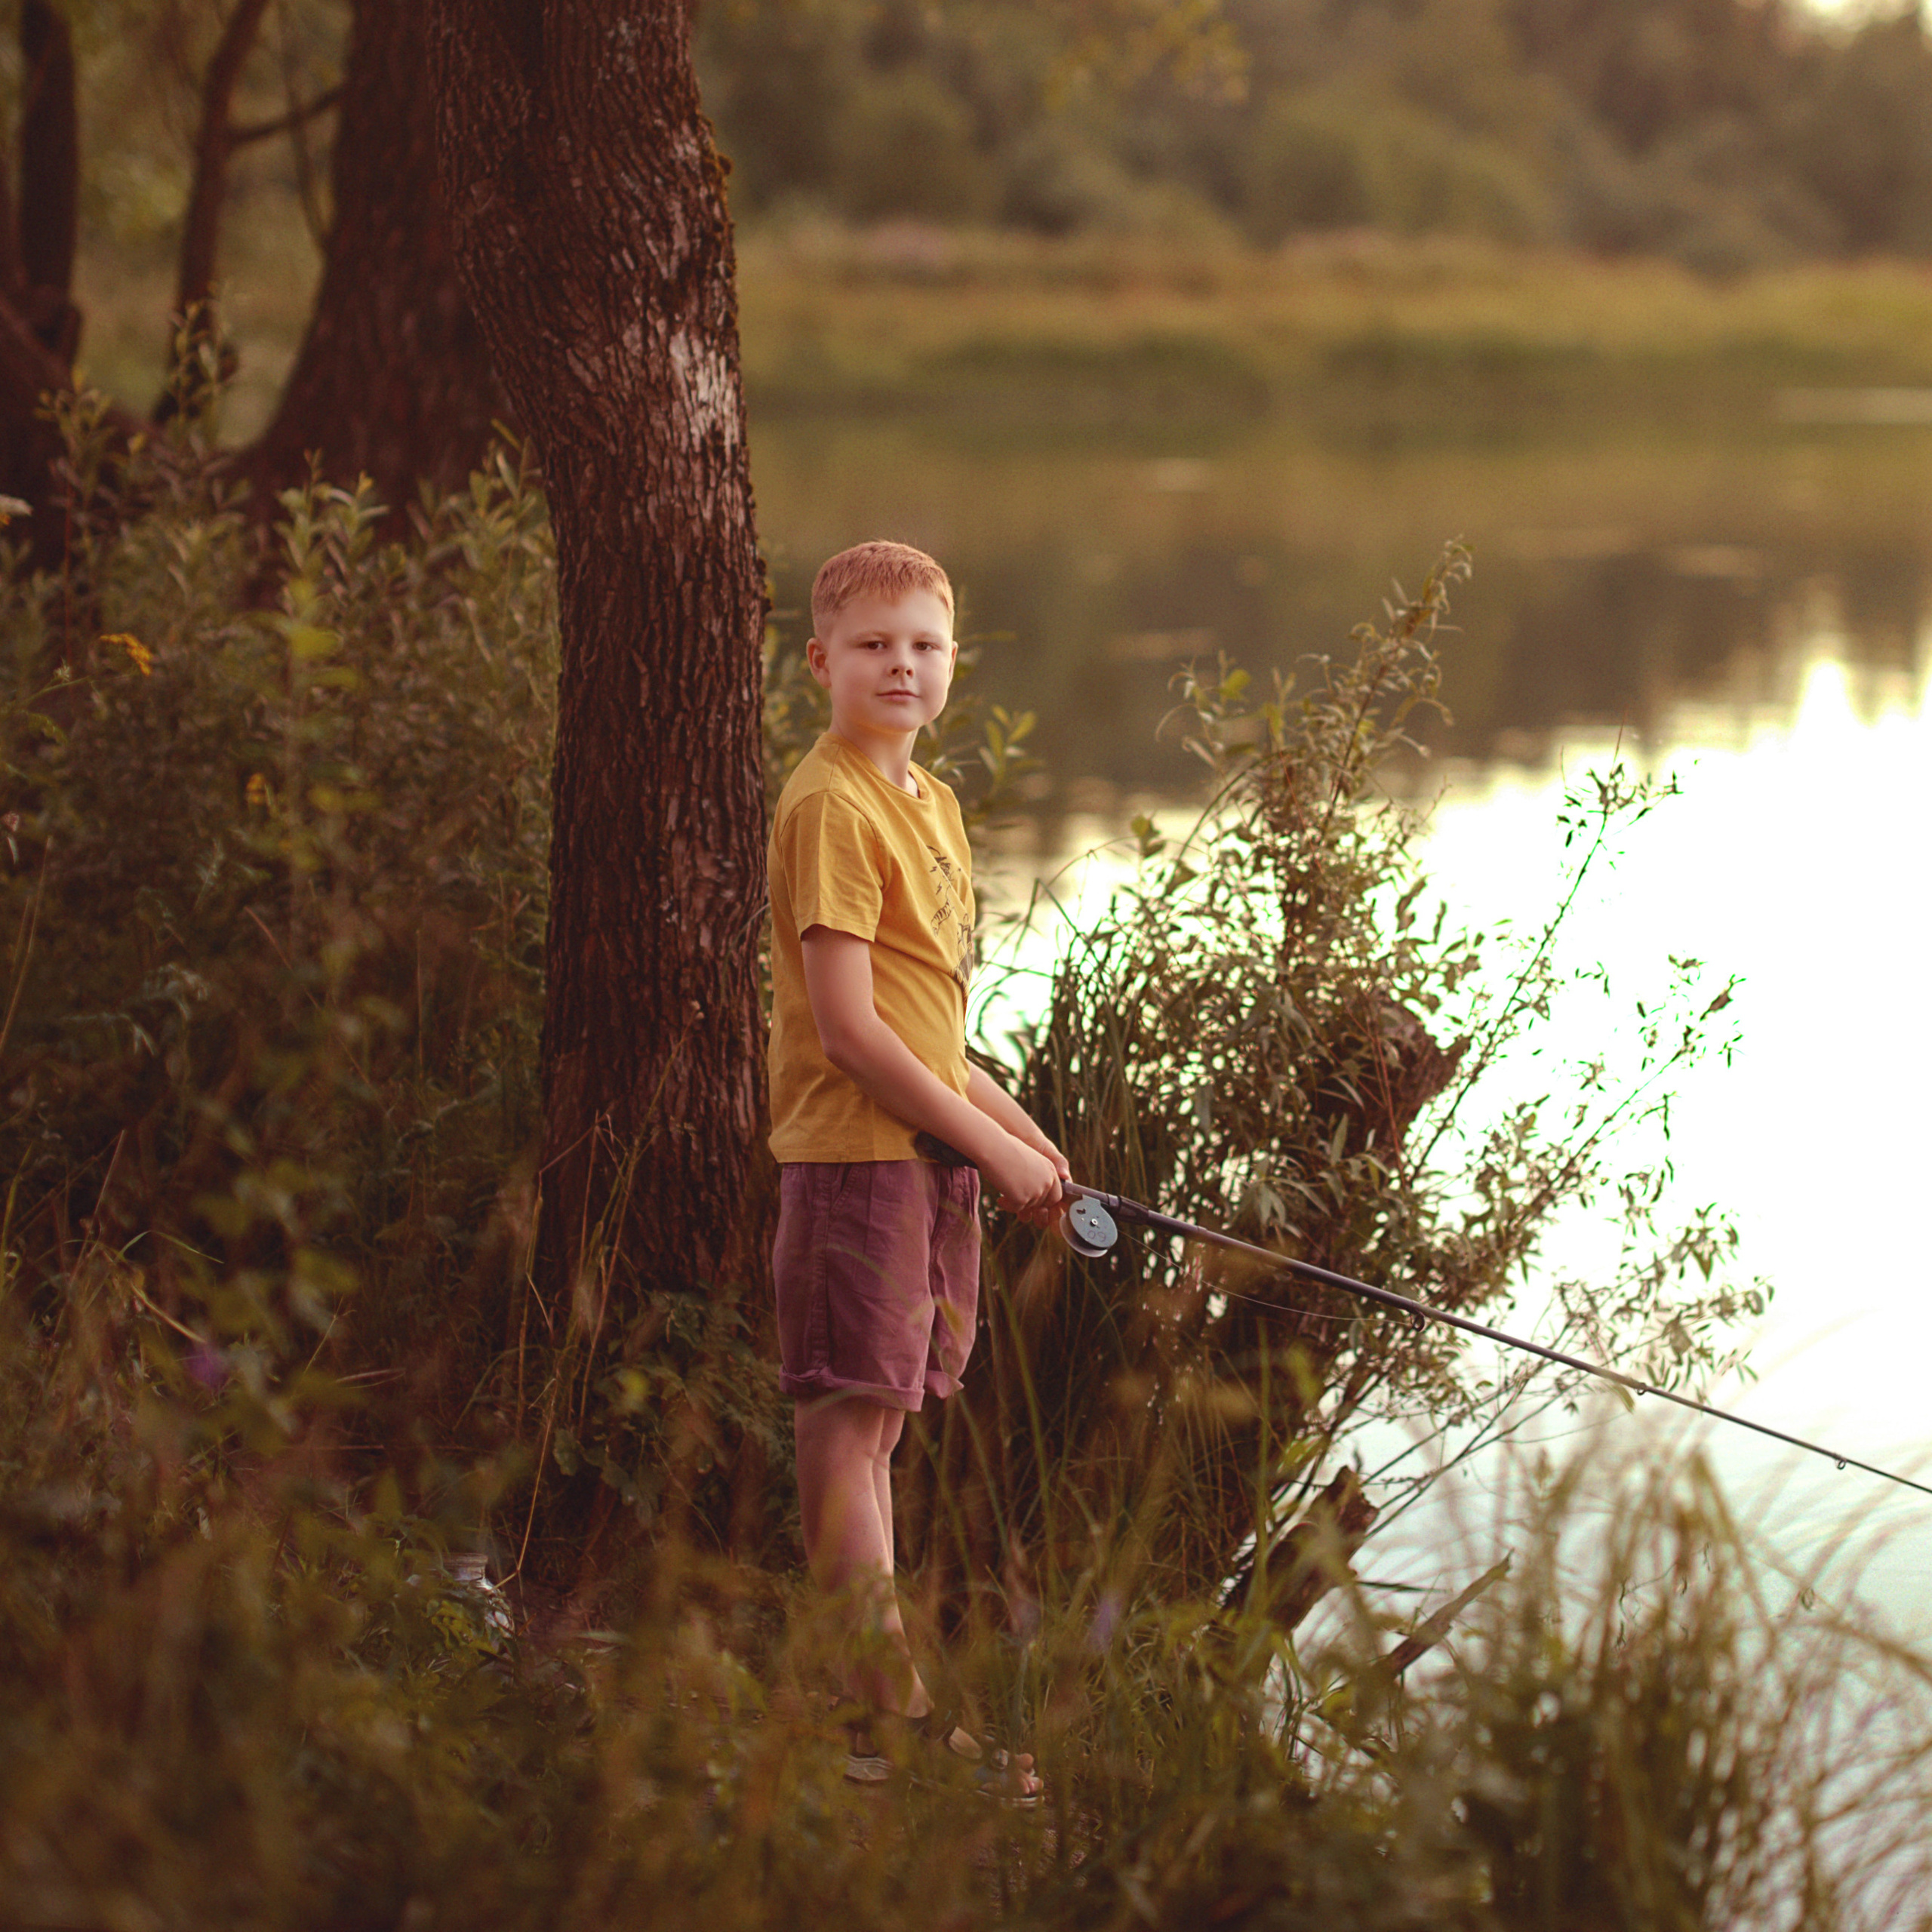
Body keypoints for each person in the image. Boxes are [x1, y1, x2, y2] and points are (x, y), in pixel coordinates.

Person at [766, 540, 1067, 1798]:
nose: (902, 664)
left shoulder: (928, 803)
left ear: (953, 663)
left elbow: (927, 1022)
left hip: (919, 1152)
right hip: (854, 1158)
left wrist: (1018, 1128)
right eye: (875, 644)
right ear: (820, 660)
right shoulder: (831, 805)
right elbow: (848, 1032)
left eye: (925, 645)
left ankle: (862, 1711)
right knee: (846, 1431)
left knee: (880, 1432)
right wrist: (986, 1144)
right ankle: (895, 1722)